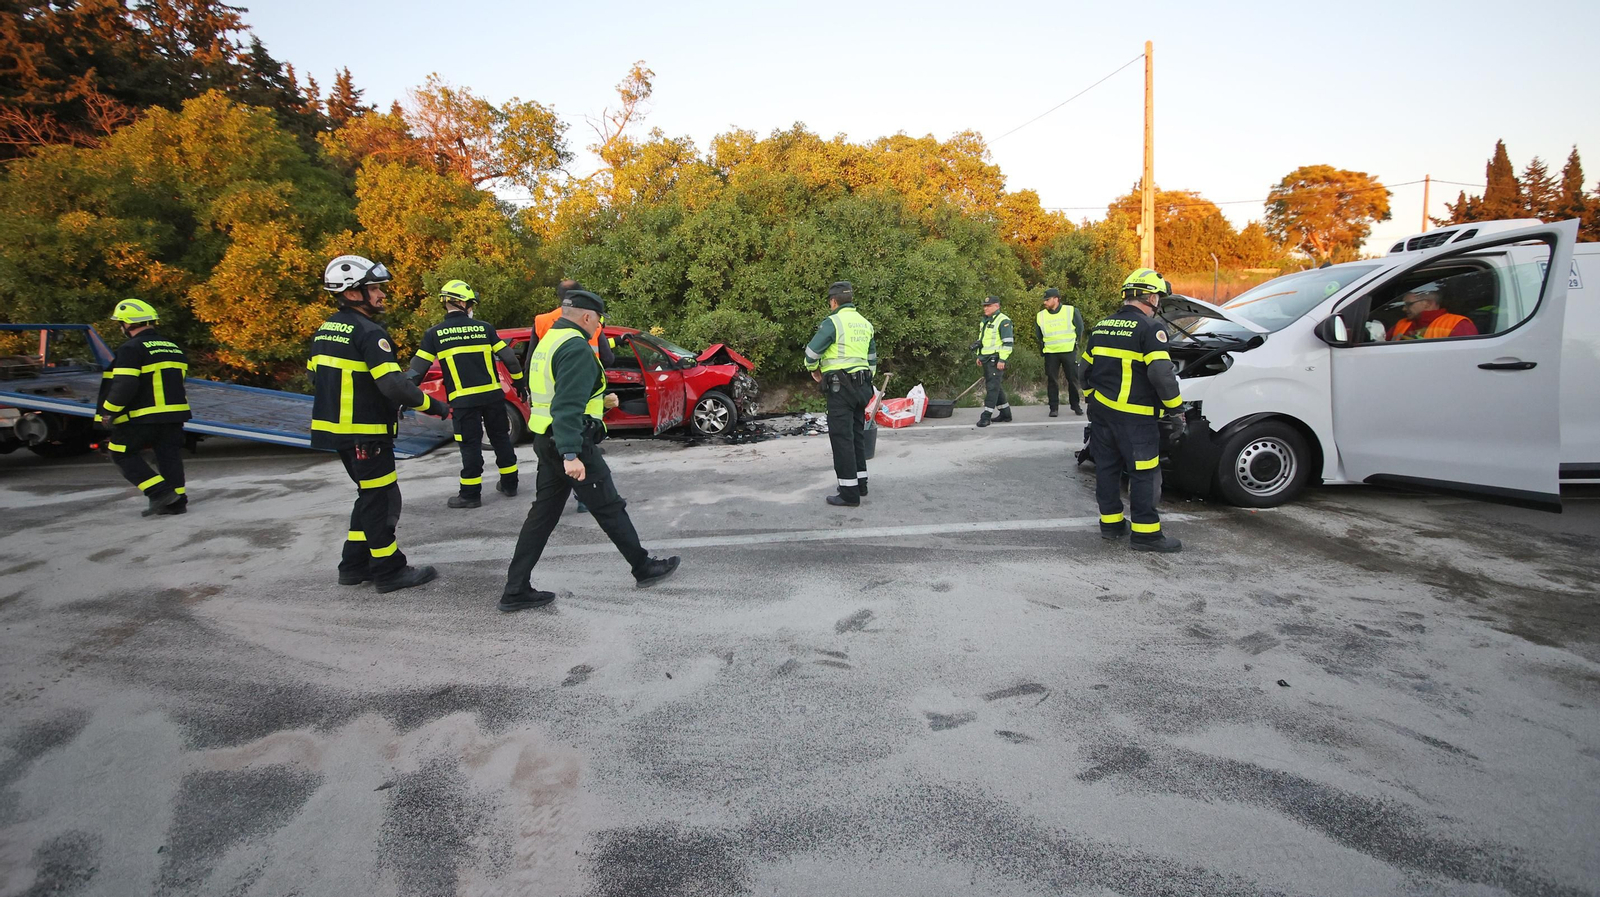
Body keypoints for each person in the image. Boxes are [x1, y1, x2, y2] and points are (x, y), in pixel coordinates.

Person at [500, 289, 679, 611]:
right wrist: (571, 454)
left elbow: (553, 394)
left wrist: (600, 403)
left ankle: (515, 589)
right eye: (598, 320)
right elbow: (566, 406)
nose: (599, 326)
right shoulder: (575, 347)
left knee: (541, 517)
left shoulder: (548, 342)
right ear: (586, 316)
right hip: (569, 442)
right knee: (609, 506)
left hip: (547, 439)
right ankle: (643, 567)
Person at [311, 255, 450, 593]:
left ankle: (353, 565)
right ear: (352, 293)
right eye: (373, 288)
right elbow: (393, 384)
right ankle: (389, 571)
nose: (381, 294)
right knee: (382, 500)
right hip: (367, 434)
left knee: (368, 495)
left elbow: (317, 376)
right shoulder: (370, 333)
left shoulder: (325, 329)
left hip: (339, 432)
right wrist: (435, 406)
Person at [1079, 268, 1185, 553]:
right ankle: (1146, 535)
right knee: (1144, 473)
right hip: (1136, 419)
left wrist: (1092, 399)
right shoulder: (1151, 329)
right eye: (1158, 298)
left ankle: (1111, 525)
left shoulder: (1102, 326)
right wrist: (1176, 410)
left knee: (1107, 469)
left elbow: (1083, 370)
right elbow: (1162, 374)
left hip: (1102, 415)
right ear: (1152, 298)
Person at [407, 279, 526, 509]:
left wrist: (406, 393)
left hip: (463, 402)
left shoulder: (435, 334)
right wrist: (519, 382)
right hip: (493, 397)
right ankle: (510, 484)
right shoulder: (485, 328)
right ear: (462, 303)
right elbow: (510, 358)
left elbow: (417, 369)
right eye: (470, 303)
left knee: (470, 446)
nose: (472, 308)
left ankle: (470, 495)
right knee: (501, 439)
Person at [96, 299, 192, 516]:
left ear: (127, 324)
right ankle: (177, 502)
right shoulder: (172, 347)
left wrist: (109, 410)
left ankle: (159, 492)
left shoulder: (131, 348)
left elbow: (125, 384)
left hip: (142, 416)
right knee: (169, 457)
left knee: (119, 452)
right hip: (174, 415)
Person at [803, 281, 878, 506]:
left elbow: (811, 353)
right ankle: (860, 484)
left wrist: (813, 370)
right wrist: (864, 381)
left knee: (842, 438)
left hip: (840, 388)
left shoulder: (833, 322)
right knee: (856, 435)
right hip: (862, 386)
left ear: (833, 302)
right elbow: (872, 360)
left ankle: (848, 493)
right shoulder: (865, 323)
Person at [1036, 288, 1086, 417]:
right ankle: (1053, 408)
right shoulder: (1041, 315)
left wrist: (1075, 343)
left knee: (1073, 379)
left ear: (1056, 299)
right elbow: (1039, 334)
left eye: (1047, 300)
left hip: (1068, 351)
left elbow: (1080, 329)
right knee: (1052, 380)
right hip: (1050, 352)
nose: (1045, 302)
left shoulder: (1071, 311)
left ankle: (1075, 405)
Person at [972, 297, 1014, 426]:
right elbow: (982, 340)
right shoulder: (985, 320)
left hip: (996, 359)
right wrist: (979, 356)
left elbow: (1008, 343)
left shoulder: (1003, 320)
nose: (985, 308)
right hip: (986, 358)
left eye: (988, 306)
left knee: (992, 387)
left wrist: (1002, 359)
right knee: (995, 386)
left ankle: (986, 416)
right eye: (984, 306)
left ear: (997, 306)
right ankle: (1005, 413)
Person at [1388, 284, 1478, 340]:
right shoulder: (1401, 324)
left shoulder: (1458, 324)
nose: (1404, 309)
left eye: (1409, 304)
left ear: (1427, 303)